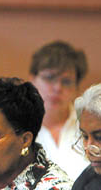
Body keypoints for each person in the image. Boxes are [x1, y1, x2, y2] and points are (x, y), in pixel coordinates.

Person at [29, 40, 90, 180]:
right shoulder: (15, 128)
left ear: (77, 87)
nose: (58, 88)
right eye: (50, 78)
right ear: (32, 80)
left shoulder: (90, 127)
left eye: (66, 81)